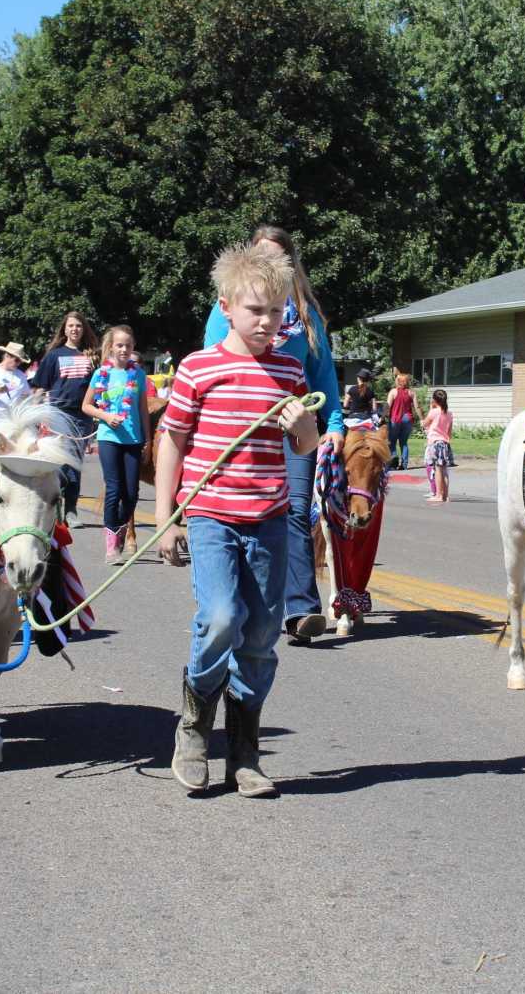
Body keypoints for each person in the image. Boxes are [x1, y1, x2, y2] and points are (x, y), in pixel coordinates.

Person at [156, 242, 317, 797]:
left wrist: (303, 428)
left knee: (262, 634)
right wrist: (166, 518)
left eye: (276, 311)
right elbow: (172, 441)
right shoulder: (199, 368)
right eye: (255, 310)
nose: (267, 321)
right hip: (211, 515)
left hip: (268, 517)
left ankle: (244, 752)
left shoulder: (289, 370)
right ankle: (194, 724)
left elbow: (303, 446)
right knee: (221, 617)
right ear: (225, 307)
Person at [203, 225, 345, 642]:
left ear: (291, 262)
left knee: (296, 509)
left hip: (295, 420)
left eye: (278, 256)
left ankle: (301, 610)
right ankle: (240, 599)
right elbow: (212, 363)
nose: (269, 262)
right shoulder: (228, 307)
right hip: (242, 425)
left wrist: (335, 423)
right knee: (244, 513)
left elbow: (323, 370)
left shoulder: (304, 314)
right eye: (261, 254)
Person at [83, 325, 149, 563]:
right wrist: (106, 416)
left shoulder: (138, 374)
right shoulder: (101, 373)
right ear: (111, 347)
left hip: (133, 438)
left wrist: (148, 440)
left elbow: (142, 409)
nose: (124, 349)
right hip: (108, 438)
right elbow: (86, 405)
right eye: (119, 345)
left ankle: (119, 527)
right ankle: (111, 543)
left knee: (131, 493)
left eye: (128, 345)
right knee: (114, 489)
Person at [31, 311, 97, 522]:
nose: (75, 329)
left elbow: (100, 387)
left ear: (83, 329)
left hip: (82, 416)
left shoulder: (92, 356)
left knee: (74, 462)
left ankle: (71, 509)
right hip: (58, 414)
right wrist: (33, 414)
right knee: (60, 461)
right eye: (71, 326)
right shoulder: (54, 355)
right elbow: (41, 387)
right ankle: (55, 505)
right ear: (65, 329)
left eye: (78, 325)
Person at [423, 389, 455, 504]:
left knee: (437, 470)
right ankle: (445, 495)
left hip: (435, 442)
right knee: (444, 470)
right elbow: (449, 431)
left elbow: (425, 424)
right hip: (445, 443)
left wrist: (430, 408)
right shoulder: (449, 413)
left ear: (435, 400)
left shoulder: (434, 412)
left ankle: (438, 495)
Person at [385, 370, 417, 470]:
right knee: (404, 442)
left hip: (395, 418)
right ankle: (404, 464)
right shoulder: (411, 392)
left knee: (392, 441)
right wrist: (421, 418)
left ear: (398, 382)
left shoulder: (393, 392)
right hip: (408, 419)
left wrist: (383, 417)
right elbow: (417, 407)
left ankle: (394, 460)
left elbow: (388, 405)